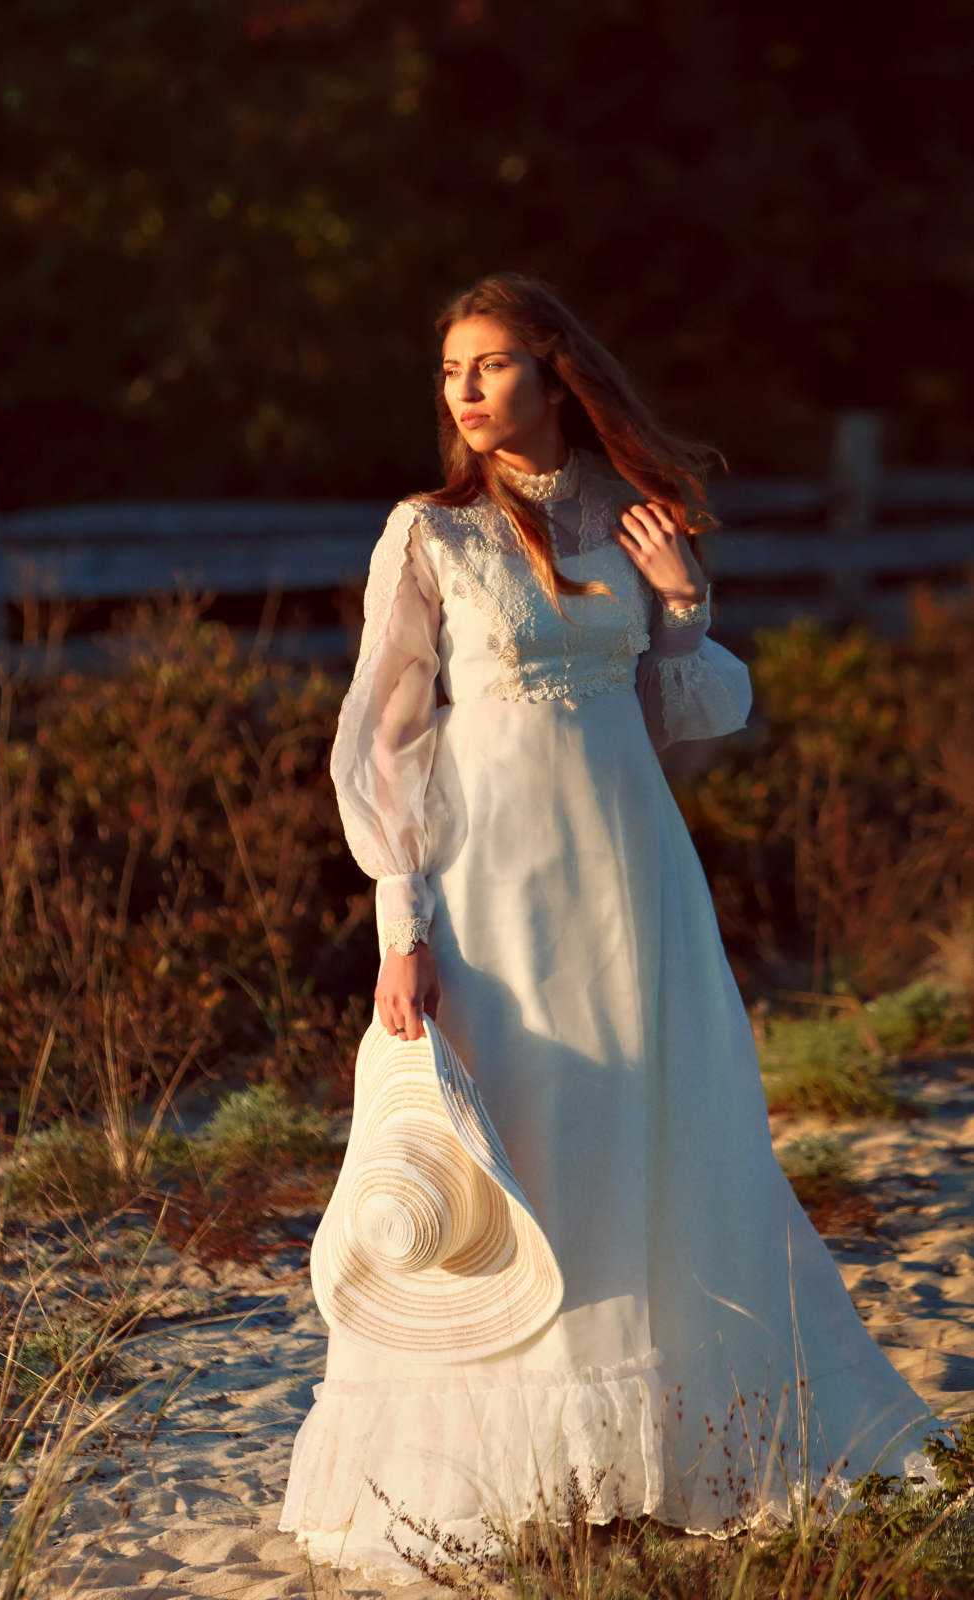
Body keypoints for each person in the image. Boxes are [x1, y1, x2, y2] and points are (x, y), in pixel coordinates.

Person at [278, 272, 939, 1581]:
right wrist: (400, 923)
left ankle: (660, 1457)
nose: (466, 393)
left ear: (555, 368)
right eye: (451, 372)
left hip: (632, 882)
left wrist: (684, 601)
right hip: (493, 896)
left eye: (492, 365)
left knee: (657, 1135)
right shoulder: (427, 533)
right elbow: (379, 745)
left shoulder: (634, 519)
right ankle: (511, 1473)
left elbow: (688, 712)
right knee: (522, 1140)